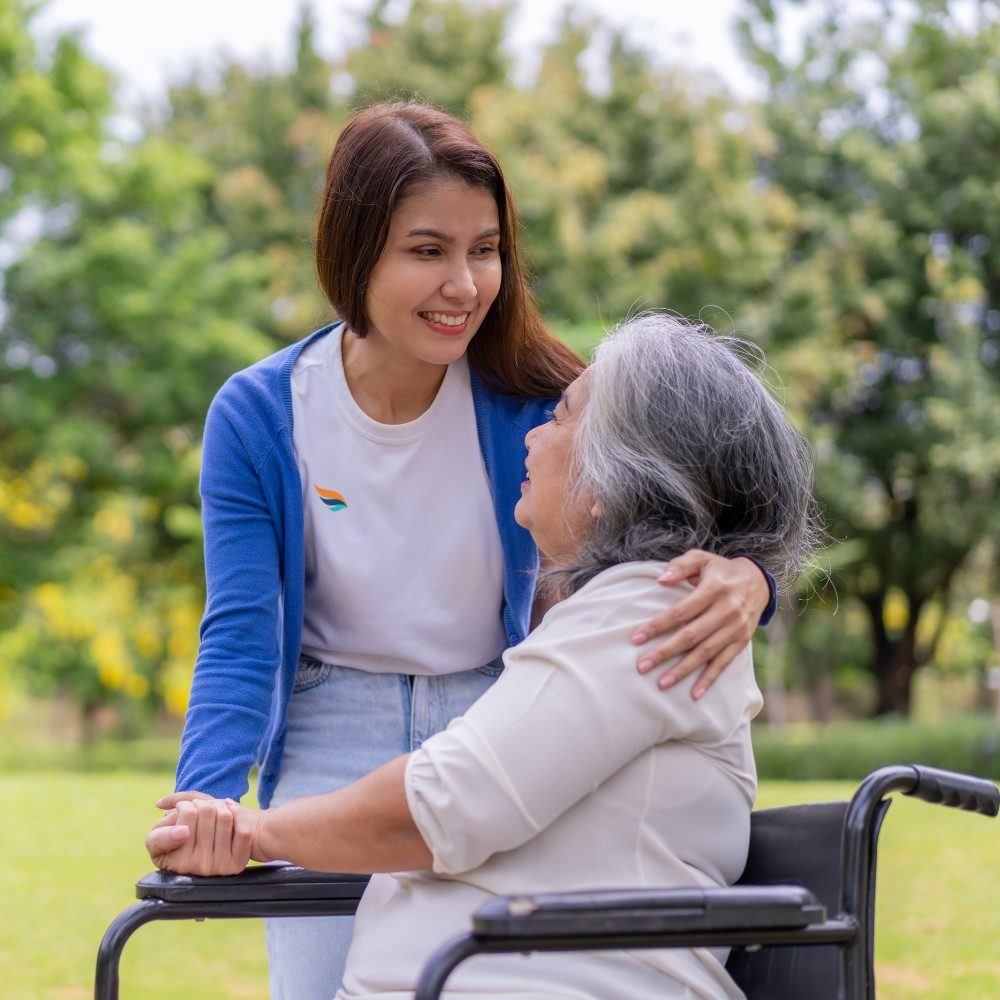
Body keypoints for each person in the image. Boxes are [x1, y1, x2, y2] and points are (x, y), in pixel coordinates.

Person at [169, 101, 775, 997]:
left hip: (499, 711)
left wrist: (752, 574)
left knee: (470, 962)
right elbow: (242, 630)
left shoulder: (547, 400)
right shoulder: (262, 415)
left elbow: (710, 482)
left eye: (484, 250)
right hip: (335, 720)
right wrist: (206, 802)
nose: (465, 283)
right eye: (427, 251)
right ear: (355, 251)